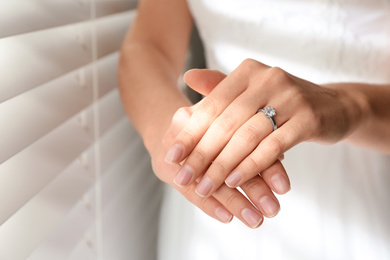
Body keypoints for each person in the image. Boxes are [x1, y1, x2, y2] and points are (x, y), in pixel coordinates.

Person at [119, 0, 390, 259]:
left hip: (363, 201)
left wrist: (353, 106)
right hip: (213, 189)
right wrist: (170, 133)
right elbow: (150, 45)